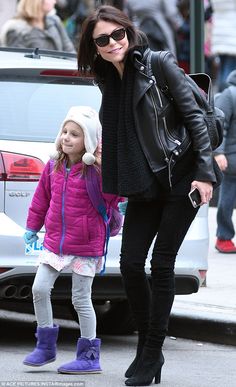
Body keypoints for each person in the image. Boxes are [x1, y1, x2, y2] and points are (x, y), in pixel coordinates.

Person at [77, 5, 221, 386]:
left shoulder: (158, 64)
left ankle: (151, 350)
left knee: (161, 264)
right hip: (144, 184)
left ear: (129, 32)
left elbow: (196, 117)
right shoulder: (109, 80)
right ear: (94, 47)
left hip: (181, 177)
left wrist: (205, 173)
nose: (113, 44)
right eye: (103, 40)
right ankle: (148, 349)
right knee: (128, 263)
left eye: (118, 35)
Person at [23, 106, 121, 374]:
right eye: (64, 132)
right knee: (39, 289)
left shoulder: (98, 172)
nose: (66, 137)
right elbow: (41, 199)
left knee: (81, 298)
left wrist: (106, 164)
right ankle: (45, 346)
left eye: (75, 134)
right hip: (55, 242)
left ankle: (89, 357)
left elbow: (118, 198)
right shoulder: (53, 166)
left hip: (86, 246)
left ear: (88, 141)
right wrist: (32, 227)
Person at [214, 70, 236, 253]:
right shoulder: (230, 95)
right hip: (232, 162)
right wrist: (219, 152)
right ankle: (224, 236)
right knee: (227, 202)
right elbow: (218, 126)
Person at [0, 0, 75, 52]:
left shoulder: (55, 21)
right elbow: (17, 64)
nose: (54, 1)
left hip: (59, 73)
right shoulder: (16, 29)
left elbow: (69, 49)